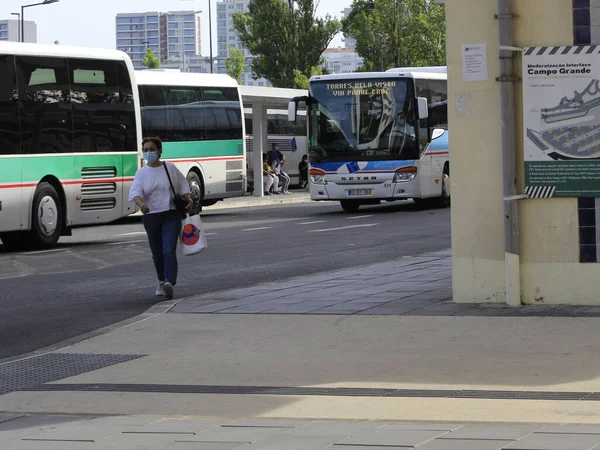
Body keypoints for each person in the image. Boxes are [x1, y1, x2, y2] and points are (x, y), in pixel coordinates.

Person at [129, 136, 193, 300]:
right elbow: (136, 193)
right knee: (157, 252)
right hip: (151, 217)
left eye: (152, 149)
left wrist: (189, 199)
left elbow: (182, 185)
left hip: (170, 214)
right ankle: (160, 280)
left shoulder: (169, 168)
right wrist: (142, 204)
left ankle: (169, 282)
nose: (148, 153)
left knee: (168, 250)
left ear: (160, 151)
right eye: (146, 150)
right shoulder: (141, 173)